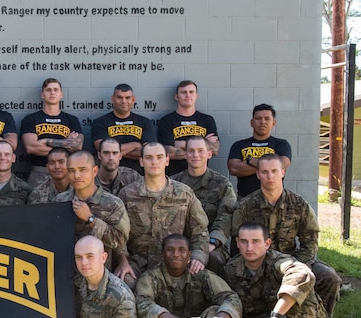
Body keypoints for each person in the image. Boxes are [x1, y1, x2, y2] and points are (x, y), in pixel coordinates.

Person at [231, 154, 341, 317]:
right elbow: (237, 244)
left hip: (292, 261)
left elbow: (310, 242)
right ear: (258, 174)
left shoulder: (298, 204)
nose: (270, 176)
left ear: (282, 172)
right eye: (265, 172)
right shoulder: (245, 207)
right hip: (257, 264)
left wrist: (297, 266)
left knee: (330, 278)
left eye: (274, 171)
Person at [117, 142, 209, 289]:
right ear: (141, 161)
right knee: (123, 283)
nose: (154, 162)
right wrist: (123, 261)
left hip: (175, 262)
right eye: (149, 157)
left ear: (167, 160)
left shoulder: (184, 193)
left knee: (199, 283)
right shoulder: (127, 194)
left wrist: (198, 257)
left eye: (159, 157)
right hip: (139, 263)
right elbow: (119, 234)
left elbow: (200, 230)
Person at [172, 136, 236, 276]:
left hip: (211, 243)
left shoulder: (222, 185)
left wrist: (212, 243)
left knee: (214, 259)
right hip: (179, 242)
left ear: (209, 154)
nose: (196, 155)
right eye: (191, 151)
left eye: (200, 150)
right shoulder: (173, 183)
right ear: (185, 154)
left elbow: (226, 216)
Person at [53, 151, 130, 268]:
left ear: (94, 171)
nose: (77, 175)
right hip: (65, 270)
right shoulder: (60, 201)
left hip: (99, 273)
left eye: (82, 169)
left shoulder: (113, 203)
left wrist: (91, 219)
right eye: (72, 171)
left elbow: (120, 241)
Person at [20, 78, 83, 187]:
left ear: (61, 94)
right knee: (37, 203)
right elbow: (31, 147)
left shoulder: (71, 120)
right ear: (42, 95)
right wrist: (65, 144)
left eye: (56, 90)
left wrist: (46, 141)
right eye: (48, 90)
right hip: (39, 173)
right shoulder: (31, 119)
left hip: (66, 174)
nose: (52, 93)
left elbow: (77, 146)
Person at [227, 103, 292, 197]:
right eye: (258, 118)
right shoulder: (239, 145)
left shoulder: (281, 144)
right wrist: (270, 167)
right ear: (252, 122)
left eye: (267, 118)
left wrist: (250, 160)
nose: (262, 122)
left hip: (274, 199)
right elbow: (234, 168)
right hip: (245, 201)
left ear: (274, 123)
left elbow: (283, 164)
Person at [157, 80, 220, 176]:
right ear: (176, 97)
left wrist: (178, 143)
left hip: (201, 177)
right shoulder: (166, 121)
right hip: (174, 177)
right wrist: (203, 144)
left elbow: (215, 150)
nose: (188, 95)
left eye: (191, 92)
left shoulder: (207, 120)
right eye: (183, 92)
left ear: (196, 96)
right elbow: (168, 152)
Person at [91, 84, 156, 174]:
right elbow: (101, 148)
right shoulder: (100, 122)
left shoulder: (145, 122)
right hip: (110, 175)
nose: (124, 101)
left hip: (138, 176)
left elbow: (148, 153)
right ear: (112, 99)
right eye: (119, 97)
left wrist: (112, 152)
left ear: (133, 100)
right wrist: (135, 145)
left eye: (127, 98)